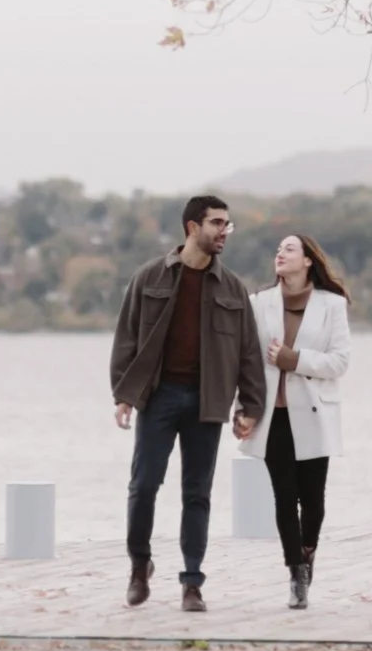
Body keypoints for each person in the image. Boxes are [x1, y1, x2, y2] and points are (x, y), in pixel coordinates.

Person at [110, 195, 266, 612]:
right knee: (143, 486)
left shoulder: (232, 287)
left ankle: (192, 582)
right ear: (191, 227)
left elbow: (249, 352)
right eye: (217, 223)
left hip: (207, 402)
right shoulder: (149, 277)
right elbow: (126, 338)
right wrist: (124, 394)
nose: (224, 232)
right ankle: (139, 566)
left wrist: (250, 406)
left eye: (227, 225)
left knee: (197, 493)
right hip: (158, 397)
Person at [236, 234, 352, 610]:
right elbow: (248, 362)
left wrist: (294, 359)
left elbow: (339, 362)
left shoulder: (332, 305)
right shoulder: (259, 303)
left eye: (289, 249)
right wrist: (244, 408)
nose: (280, 254)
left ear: (307, 261)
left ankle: (308, 550)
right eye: (278, 250)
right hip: (274, 416)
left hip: (315, 413)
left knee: (313, 501)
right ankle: (296, 573)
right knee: (284, 499)